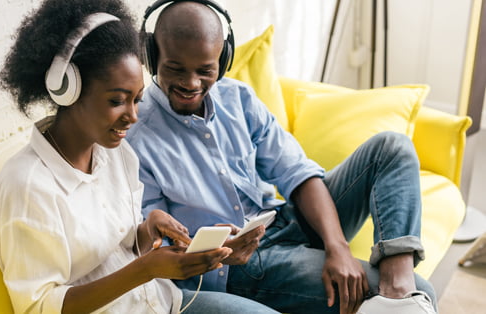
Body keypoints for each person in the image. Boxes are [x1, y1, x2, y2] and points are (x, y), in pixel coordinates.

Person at [126, 1, 439, 314]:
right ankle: (402, 302)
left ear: (223, 60)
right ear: (152, 57)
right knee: (422, 292)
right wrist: (222, 254)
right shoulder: (136, 136)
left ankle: (398, 291)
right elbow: (159, 251)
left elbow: (297, 173)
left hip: (281, 220)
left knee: (391, 148)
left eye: (205, 71)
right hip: (240, 265)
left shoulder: (238, 98)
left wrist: (337, 247)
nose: (192, 83)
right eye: (175, 69)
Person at [0, 0, 280, 313]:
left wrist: (149, 228)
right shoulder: (27, 187)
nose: (133, 116)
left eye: (137, 100)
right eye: (117, 101)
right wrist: (146, 269)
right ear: (66, 90)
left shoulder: (117, 153)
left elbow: (121, 247)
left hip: (166, 302)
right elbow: (39, 307)